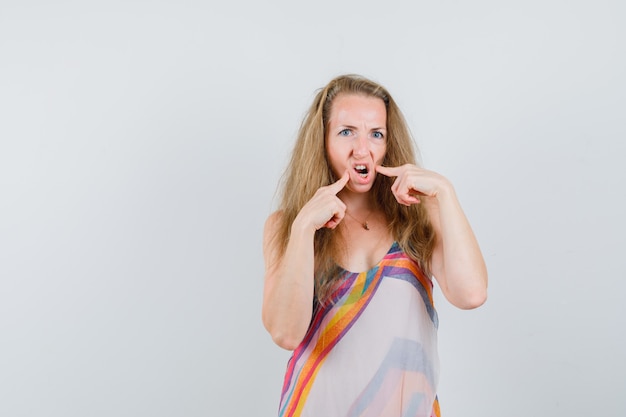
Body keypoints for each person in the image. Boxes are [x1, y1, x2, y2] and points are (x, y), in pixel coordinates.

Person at [262, 74, 488, 417]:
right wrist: (305, 226)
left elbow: (471, 294)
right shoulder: (289, 225)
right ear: (322, 140)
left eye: (376, 134)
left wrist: (445, 193)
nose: (362, 149)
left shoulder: (418, 216)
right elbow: (285, 333)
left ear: (388, 142)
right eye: (346, 131)